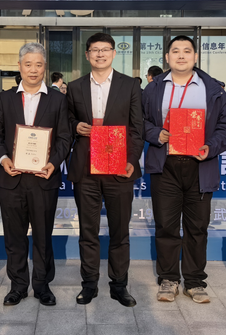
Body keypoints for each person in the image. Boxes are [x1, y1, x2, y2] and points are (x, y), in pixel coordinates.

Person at [141, 35, 226, 303]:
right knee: (166, 225)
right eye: (175, 51)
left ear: (195, 56)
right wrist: (155, 134)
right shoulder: (153, 89)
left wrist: (210, 147)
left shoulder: (214, 89)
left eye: (186, 51)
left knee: (197, 226)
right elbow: (139, 121)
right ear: (167, 57)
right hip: (165, 165)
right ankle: (168, 278)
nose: (181, 55)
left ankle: (194, 281)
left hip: (200, 165)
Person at [67, 32, 144, 307]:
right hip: (86, 169)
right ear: (87, 55)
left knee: (119, 231)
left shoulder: (130, 85)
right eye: (95, 50)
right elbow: (66, 120)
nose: (100, 54)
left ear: (113, 53)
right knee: (87, 231)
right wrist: (75, 126)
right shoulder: (74, 87)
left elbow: (137, 128)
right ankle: (89, 284)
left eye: (105, 49)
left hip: (118, 168)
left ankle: (119, 285)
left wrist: (131, 160)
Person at [0, 43, 72, 307]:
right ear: (19, 66)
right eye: (28, 64)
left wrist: (53, 162)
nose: (33, 70)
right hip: (11, 178)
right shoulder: (4, 99)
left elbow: (64, 137)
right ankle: (17, 286)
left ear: (44, 67)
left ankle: (42, 285)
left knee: (42, 235)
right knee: (14, 236)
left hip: (43, 179)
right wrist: (3, 159)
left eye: (38, 64)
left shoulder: (58, 100)